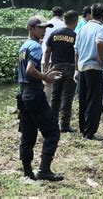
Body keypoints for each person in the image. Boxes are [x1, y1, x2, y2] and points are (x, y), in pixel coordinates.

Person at [17, 15, 63, 181]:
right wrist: (45, 77)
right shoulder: (36, 46)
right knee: (52, 132)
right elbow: (30, 70)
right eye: (40, 27)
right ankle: (44, 170)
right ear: (31, 28)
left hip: (23, 94)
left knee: (28, 133)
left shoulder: (23, 46)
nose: (43, 30)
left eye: (45, 27)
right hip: (34, 93)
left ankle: (28, 172)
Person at [74, 3, 103, 141]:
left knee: (83, 99)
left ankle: (83, 128)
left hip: (82, 67)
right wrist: (101, 59)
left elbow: (76, 50)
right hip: (94, 67)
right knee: (94, 101)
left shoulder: (83, 27)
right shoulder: (101, 28)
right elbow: (99, 42)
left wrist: (76, 68)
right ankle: (90, 132)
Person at [43, 10, 79, 133]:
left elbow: (48, 51)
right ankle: (64, 125)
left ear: (64, 20)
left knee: (55, 96)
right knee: (67, 97)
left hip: (56, 67)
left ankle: (53, 123)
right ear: (75, 21)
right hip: (70, 67)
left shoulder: (54, 33)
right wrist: (77, 68)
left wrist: (46, 67)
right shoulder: (75, 35)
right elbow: (77, 54)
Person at [42, 6, 66, 105]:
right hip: (59, 59)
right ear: (62, 15)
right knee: (58, 83)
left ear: (52, 13)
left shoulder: (44, 25)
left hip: (45, 57)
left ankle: (46, 104)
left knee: (47, 84)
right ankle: (56, 105)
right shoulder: (64, 25)